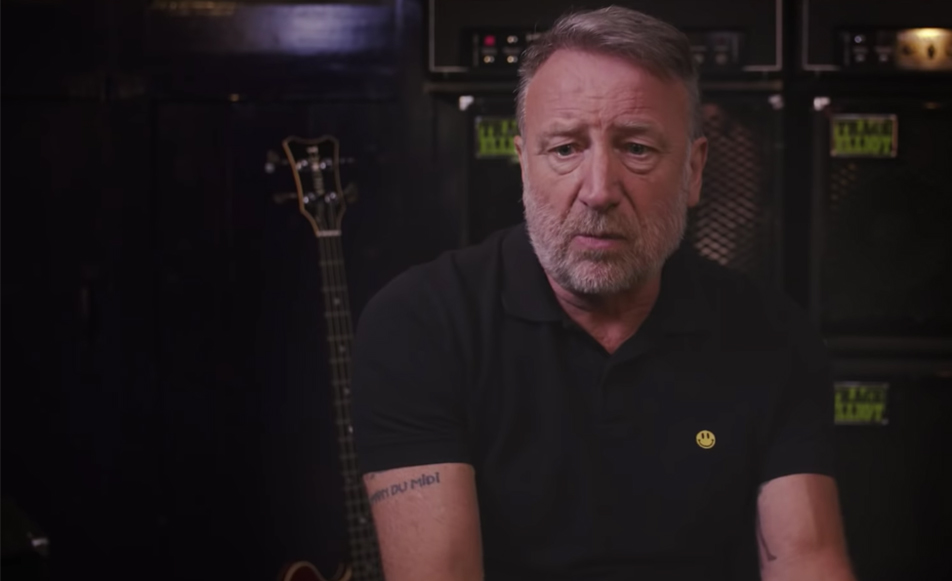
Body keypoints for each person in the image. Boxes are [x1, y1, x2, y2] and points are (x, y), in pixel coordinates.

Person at [350, 6, 856, 581]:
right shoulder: (420, 325)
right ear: (524, 166)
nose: (598, 191)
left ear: (693, 172)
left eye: (637, 148)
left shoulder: (773, 335)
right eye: (565, 149)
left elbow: (806, 559)